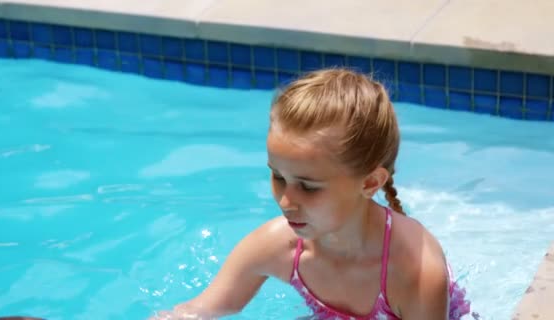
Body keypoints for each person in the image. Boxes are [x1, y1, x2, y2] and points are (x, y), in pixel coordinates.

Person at [150, 68, 474, 319]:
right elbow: (199, 310)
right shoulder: (278, 247)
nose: (285, 201)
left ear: (370, 183)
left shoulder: (415, 271)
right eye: (278, 177)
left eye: (308, 186)